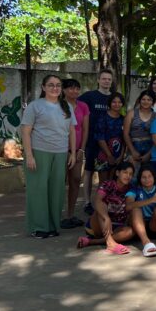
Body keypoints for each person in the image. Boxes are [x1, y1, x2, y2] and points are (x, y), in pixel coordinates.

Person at [21, 74, 77, 238]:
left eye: (58, 85)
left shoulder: (66, 106)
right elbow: (25, 131)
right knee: (38, 190)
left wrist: (72, 153)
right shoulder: (35, 106)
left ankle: (53, 225)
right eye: (51, 85)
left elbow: (72, 131)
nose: (55, 88)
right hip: (39, 152)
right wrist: (29, 155)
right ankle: (38, 227)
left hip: (60, 154)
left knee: (56, 191)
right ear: (43, 87)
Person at [76, 162, 136, 254]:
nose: (128, 176)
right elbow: (97, 201)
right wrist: (106, 217)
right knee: (101, 205)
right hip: (98, 223)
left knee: (131, 232)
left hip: (116, 227)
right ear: (117, 173)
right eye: (125, 172)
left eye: (130, 174)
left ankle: (92, 241)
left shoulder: (132, 189)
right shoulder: (108, 184)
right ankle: (110, 243)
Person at [79, 69, 113, 213]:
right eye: (104, 79)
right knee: (89, 171)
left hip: (109, 142)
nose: (106, 81)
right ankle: (87, 202)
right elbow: (77, 110)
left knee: (106, 173)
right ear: (98, 80)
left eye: (109, 79)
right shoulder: (89, 96)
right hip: (92, 140)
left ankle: (104, 201)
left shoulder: (115, 97)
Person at [61, 78, 89, 229]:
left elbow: (85, 129)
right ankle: (55, 214)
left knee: (76, 179)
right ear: (64, 90)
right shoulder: (59, 105)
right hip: (60, 150)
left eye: (77, 88)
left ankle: (70, 215)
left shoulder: (83, 106)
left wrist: (81, 149)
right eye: (71, 88)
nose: (74, 91)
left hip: (77, 150)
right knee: (59, 182)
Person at [126, 165, 156, 257]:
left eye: (149, 176)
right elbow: (128, 206)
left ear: (154, 177)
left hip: (153, 225)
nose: (147, 179)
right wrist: (151, 200)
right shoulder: (135, 189)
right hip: (137, 224)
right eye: (144, 177)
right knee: (135, 209)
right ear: (140, 178)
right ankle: (146, 243)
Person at [123, 90, 156, 175]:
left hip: (150, 148)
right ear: (139, 100)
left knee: (147, 176)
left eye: (149, 100)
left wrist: (149, 154)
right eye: (143, 99)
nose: (146, 102)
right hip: (133, 146)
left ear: (153, 102)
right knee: (132, 176)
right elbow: (126, 134)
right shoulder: (131, 113)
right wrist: (133, 151)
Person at [93, 92, 126, 182]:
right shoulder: (102, 117)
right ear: (110, 103)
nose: (117, 104)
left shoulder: (124, 119)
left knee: (114, 183)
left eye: (119, 102)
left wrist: (121, 156)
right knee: (104, 184)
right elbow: (100, 137)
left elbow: (125, 139)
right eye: (114, 102)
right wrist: (109, 155)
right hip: (103, 155)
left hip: (118, 157)